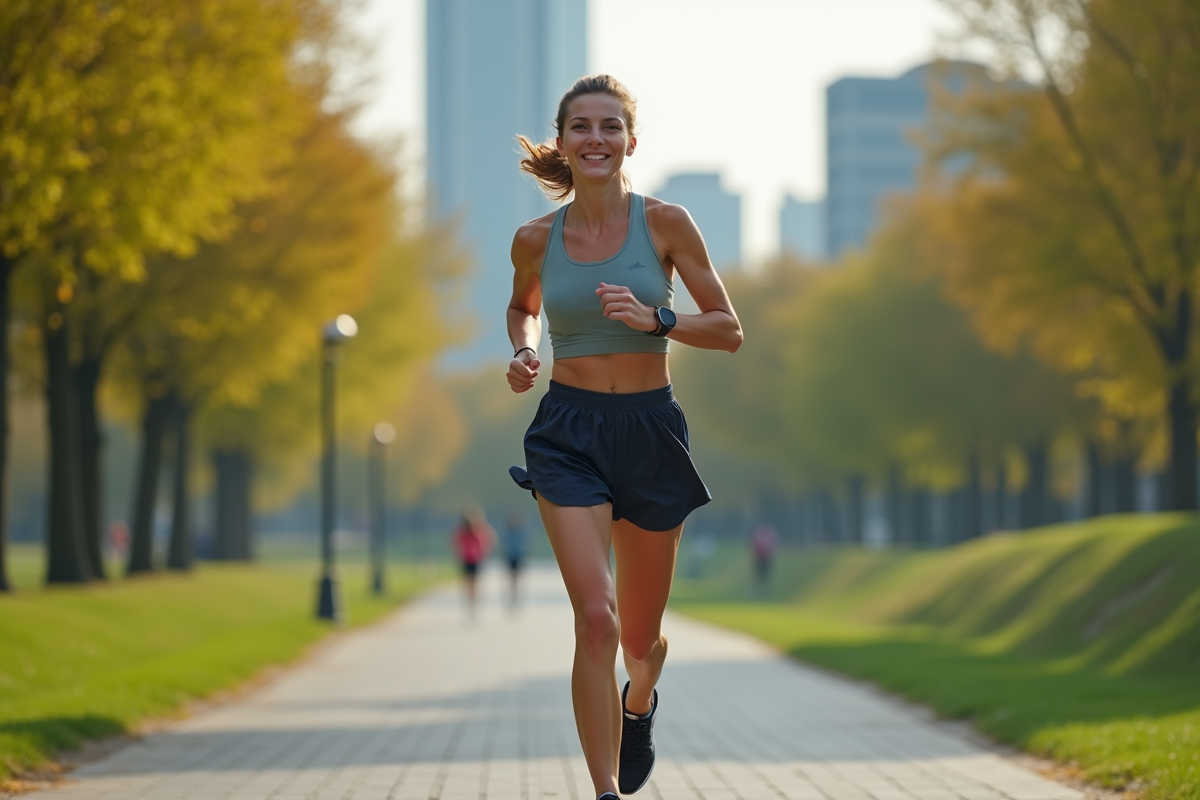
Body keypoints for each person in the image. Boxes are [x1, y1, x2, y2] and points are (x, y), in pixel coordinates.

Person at [506, 74, 742, 800]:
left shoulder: (667, 224)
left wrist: (658, 320)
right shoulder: (535, 238)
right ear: (564, 142)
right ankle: (605, 790)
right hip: (568, 433)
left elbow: (729, 329)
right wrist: (522, 348)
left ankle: (639, 700)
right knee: (596, 619)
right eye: (582, 126)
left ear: (629, 142)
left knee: (639, 643)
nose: (596, 138)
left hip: (649, 432)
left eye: (610, 126)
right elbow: (523, 306)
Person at [451, 505, 494, 619]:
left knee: (474, 584)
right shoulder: (462, 531)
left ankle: (473, 605)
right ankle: (470, 605)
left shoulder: (479, 530)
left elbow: (487, 542)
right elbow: (455, 543)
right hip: (466, 559)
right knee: (469, 584)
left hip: (475, 560)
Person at [502, 511, 529, 608]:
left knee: (517, 579)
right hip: (510, 556)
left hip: (518, 556)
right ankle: (512, 598)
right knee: (511, 579)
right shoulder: (508, 532)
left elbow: (525, 544)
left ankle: (516, 598)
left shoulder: (521, 532)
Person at [750, 521, 778, 598]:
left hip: (766, 559)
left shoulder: (768, 537)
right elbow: (754, 547)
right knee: (758, 575)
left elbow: (772, 547)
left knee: (766, 576)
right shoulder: (758, 536)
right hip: (759, 558)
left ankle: (765, 590)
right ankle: (757, 590)